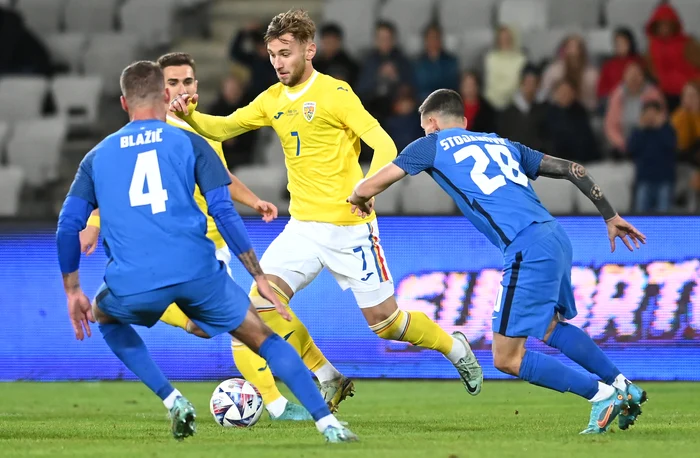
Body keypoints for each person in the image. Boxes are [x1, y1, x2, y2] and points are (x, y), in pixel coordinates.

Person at [170, 9, 483, 402]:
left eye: (285, 53)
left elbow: (383, 143)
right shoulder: (271, 100)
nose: (278, 62)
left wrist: (369, 188)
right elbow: (226, 125)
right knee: (261, 303)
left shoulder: (336, 94)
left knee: (387, 324)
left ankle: (455, 347)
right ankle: (327, 374)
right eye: (272, 55)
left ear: (309, 50)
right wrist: (192, 115)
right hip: (302, 226)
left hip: (349, 226)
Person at [56, 60, 356, 443]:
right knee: (262, 336)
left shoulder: (97, 156)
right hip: (199, 268)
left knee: (104, 315)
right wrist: (259, 276)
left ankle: (173, 398)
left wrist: (72, 290)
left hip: (133, 275)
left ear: (122, 102)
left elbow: (67, 228)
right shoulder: (189, 142)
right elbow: (223, 212)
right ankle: (328, 424)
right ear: (165, 96)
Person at [348, 88, 648, 435]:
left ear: (431, 123)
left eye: (423, 127)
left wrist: (358, 196)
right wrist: (610, 216)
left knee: (506, 357)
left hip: (525, 247)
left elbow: (376, 182)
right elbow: (573, 169)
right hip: (554, 236)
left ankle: (602, 396)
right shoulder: (502, 143)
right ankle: (623, 385)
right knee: (550, 327)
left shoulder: (431, 144)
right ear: (464, 121)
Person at [644, 2, 700, 111]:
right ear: (655, 26)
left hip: (688, 94)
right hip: (663, 95)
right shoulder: (651, 47)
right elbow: (651, 71)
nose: (665, 28)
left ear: (674, 24)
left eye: (668, 24)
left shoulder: (688, 43)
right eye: (661, 24)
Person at [604, 61, 665, 156]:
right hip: (622, 146)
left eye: (637, 74)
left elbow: (661, 121)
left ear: (643, 76)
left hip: (647, 144)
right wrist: (623, 144)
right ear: (624, 76)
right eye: (630, 74)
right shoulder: (617, 94)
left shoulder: (653, 93)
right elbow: (610, 126)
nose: (634, 78)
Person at [627, 100, 677, 213]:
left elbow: (671, 146)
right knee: (640, 213)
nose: (651, 117)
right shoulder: (638, 131)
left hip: (664, 180)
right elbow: (631, 150)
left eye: (654, 114)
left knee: (663, 213)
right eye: (648, 114)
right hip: (644, 179)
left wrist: (660, 127)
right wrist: (640, 129)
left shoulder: (668, 130)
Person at [539, 35, 599, 112]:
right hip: (558, 111)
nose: (573, 51)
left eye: (576, 47)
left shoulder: (591, 74)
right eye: (569, 47)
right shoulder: (554, 70)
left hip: (585, 112)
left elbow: (594, 100)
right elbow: (544, 93)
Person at [497, 65, 549, 153]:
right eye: (528, 82)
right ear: (521, 83)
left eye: (534, 83)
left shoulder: (543, 110)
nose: (530, 87)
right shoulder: (508, 112)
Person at [413, 23, 460, 101]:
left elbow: (452, 86)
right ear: (425, 40)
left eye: (436, 38)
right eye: (430, 38)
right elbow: (417, 87)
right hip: (422, 103)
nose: (433, 41)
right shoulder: (417, 63)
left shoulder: (451, 61)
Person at [483, 25, 526, 110]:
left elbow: (518, 82)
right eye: (502, 38)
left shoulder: (521, 59)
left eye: (507, 37)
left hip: (514, 103)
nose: (505, 40)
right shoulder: (491, 58)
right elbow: (492, 82)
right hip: (492, 102)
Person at [597, 27, 644, 104]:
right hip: (612, 101)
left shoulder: (639, 62)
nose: (620, 46)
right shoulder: (609, 64)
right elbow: (601, 89)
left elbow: (644, 86)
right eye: (617, 43)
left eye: (623, 42)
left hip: (635, 99)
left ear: (630, 43)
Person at [313, 23, 359, 87]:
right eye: (327, 42)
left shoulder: (348, 64)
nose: (330, 46)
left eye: (332, 42)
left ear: (339, 42)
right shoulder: (315, 63)